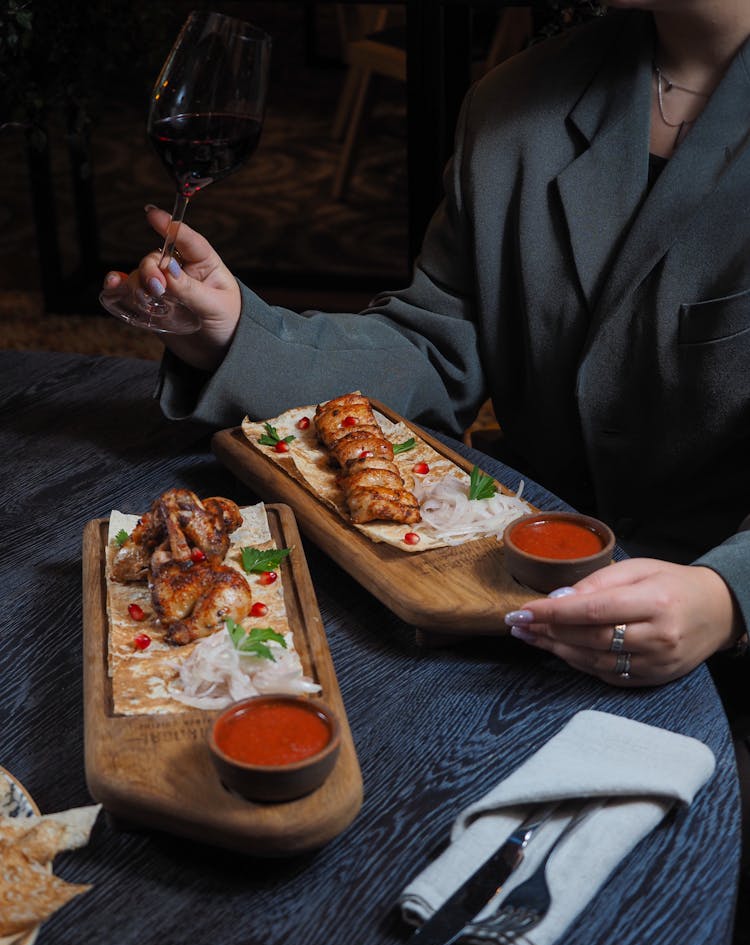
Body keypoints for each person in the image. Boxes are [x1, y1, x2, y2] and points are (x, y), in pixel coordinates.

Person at [102, 0, 750, 695]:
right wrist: (234, 335)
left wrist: (728, 598)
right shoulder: (515, 100)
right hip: (495, 609)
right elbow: (433, 348)